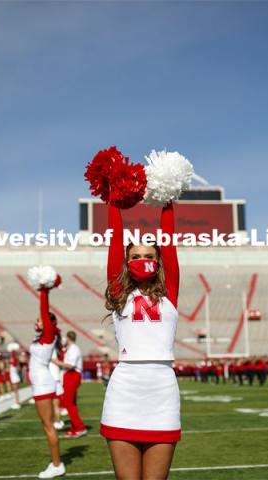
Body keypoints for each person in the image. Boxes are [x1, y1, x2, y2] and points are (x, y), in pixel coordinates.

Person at [100, 201, 181, 480]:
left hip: (162, 390)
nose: (142, 260)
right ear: (125, 261)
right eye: (134, 255)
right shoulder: (119, 290)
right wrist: (112, 198)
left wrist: (168, 199)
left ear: (158, 260)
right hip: (125, 389)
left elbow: (168, 243)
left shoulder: (170, 291)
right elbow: (114, 237)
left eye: (148, 254)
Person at [29, 274, 65, 479]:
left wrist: (44, 291)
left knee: (48, 426)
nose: (37, 321)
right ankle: (56, 462)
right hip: (41, 382)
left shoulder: (48, 335)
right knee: (47, 425)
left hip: (43, 383)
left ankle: (57, 464)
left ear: (48, 324)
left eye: (40, 320)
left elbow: (43, 310)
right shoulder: (42, 337)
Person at [53, 331, 87, 438]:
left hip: (72, 375)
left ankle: (80, 427)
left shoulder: (74, 349)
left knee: (69, 404)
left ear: (68, 338)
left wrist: (56, 362)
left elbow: (70, 365)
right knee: (72, 403)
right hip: (70, 375)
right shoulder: (71, 349)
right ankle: (74, 428)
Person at [7, 342, 21, 409]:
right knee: (15, 391)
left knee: (16, 392)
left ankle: (17, 403)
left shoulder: (14, 364)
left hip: (15, 378)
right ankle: (17, 402)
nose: (10, 359)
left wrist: (13, 352)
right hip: (14, 378)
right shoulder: (13, 364)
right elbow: (13, 357)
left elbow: (14, 357)